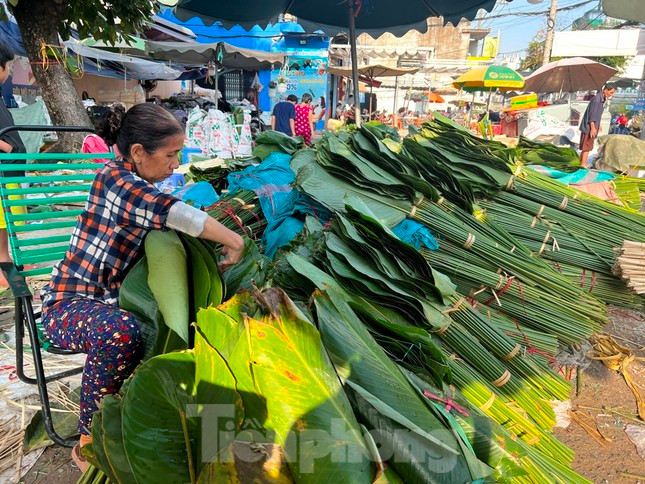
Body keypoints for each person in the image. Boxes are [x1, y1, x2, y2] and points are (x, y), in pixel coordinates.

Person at [40, 103, 245, 469]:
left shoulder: (135, 180)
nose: (175, 163)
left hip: (106, 303)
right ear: (138, 152)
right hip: (67, 306)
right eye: (171, 154)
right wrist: (234, 240)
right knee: (120, 332)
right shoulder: (116, 180)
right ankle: (87, 440)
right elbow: (173, 212)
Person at [0, 39, 27, 288]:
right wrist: (8, 148)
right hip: (2, 168)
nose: (9, 73)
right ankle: (2, 262)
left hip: (8, 170)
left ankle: (6, 257)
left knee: (4, 220)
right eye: (8, 67)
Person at [579, 83, 617, 167]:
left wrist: (598, 124)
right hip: (589, 127)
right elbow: (592, 115)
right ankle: (583, 165)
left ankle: (581, 163)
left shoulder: (602, 99)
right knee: (587, 147)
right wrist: (593, 128)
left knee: (587, 146)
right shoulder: (597, 99)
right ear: (605, 90)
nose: (611, 95)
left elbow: (597, 115)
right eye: (611, 92)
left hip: (592, 126)